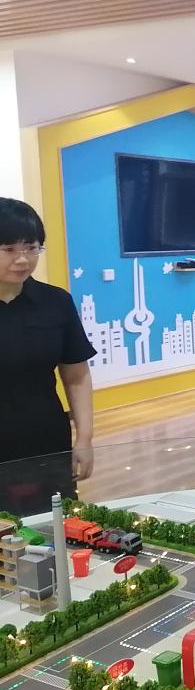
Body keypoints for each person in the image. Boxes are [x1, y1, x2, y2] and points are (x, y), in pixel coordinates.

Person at [0, 197, 95, 482]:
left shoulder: (56, 302)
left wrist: (84, 438)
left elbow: (76, 376)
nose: (23, 259)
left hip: (46, 440)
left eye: (31, 248)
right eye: (9, 249)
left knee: (51, 509)